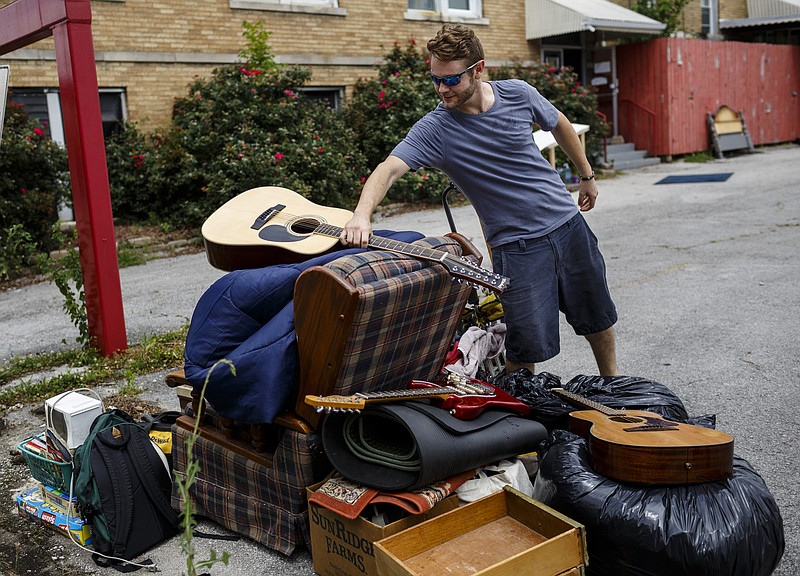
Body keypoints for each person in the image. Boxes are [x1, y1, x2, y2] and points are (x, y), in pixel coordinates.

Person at [340, 23, 618, 376]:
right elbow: (388, 169)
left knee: (598, 317)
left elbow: (559, 122)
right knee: (524, 346)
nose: (442, 88)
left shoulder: (518, 93)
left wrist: (586, 176)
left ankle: (615, 387)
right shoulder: (435, 129)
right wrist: (361, 215)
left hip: (568, 225)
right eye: (435, 79)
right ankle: (521, 423)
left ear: (478, 69)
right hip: (517, 247)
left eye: (451, 79)